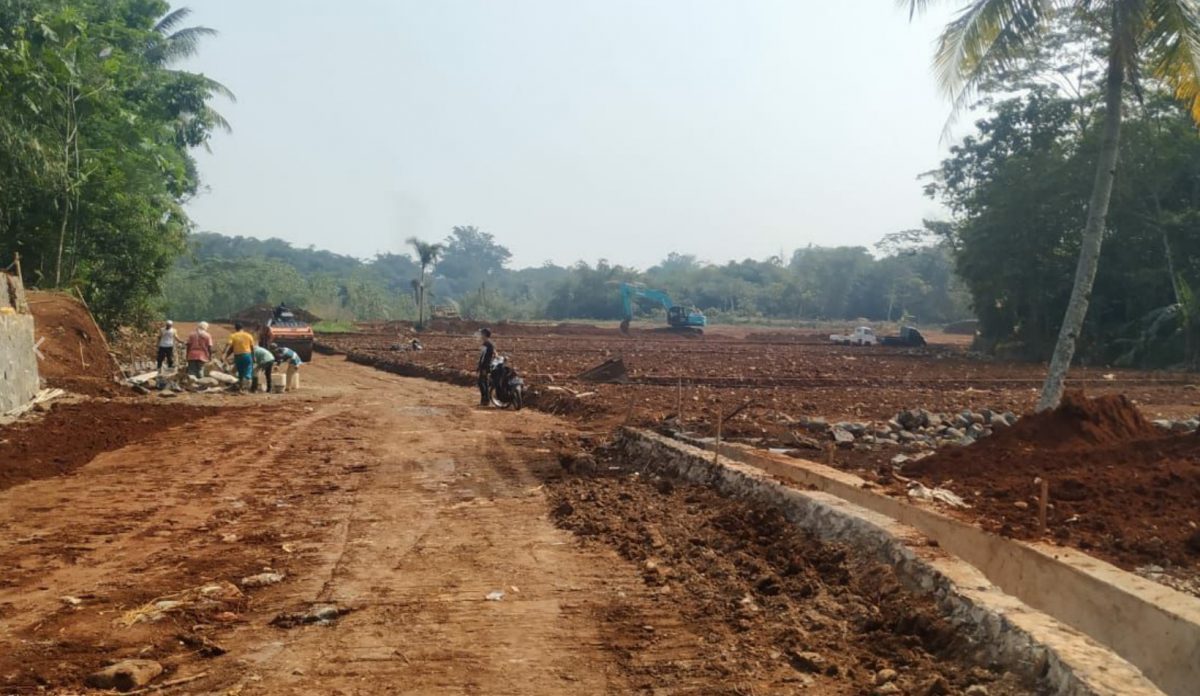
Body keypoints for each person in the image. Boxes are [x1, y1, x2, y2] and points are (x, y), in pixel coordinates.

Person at [224, 321, 256, 392]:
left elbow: (229, 345)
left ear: (235, 328)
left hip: (238, 356)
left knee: (240, 373)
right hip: (247, 355)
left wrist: (224, 354)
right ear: (242, 328)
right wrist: (254, 357)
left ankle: (240, 389)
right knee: (248, 372)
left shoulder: (233, 336)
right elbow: (252, 348)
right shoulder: (248, 335)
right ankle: (246, 389)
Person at [477, 328, 496, 407]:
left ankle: (485, 400)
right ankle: (485, 400)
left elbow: (483, 357)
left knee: (482, 383)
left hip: (485, 366)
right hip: (487, 365)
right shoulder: (490, 344)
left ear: (485, 335)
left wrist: (482, 367)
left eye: (482, 334)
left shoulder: (486, 344)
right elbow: (494, 354)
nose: (481, 335)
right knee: (484, 382)